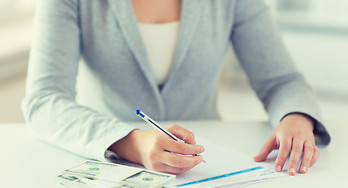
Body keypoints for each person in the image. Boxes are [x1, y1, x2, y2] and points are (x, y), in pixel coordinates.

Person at [22, 0, 330, 176]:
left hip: (206, 171)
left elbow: (282, 81)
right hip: (108, 166)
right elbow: (44, 98)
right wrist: (131, 143)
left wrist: (296, 117)